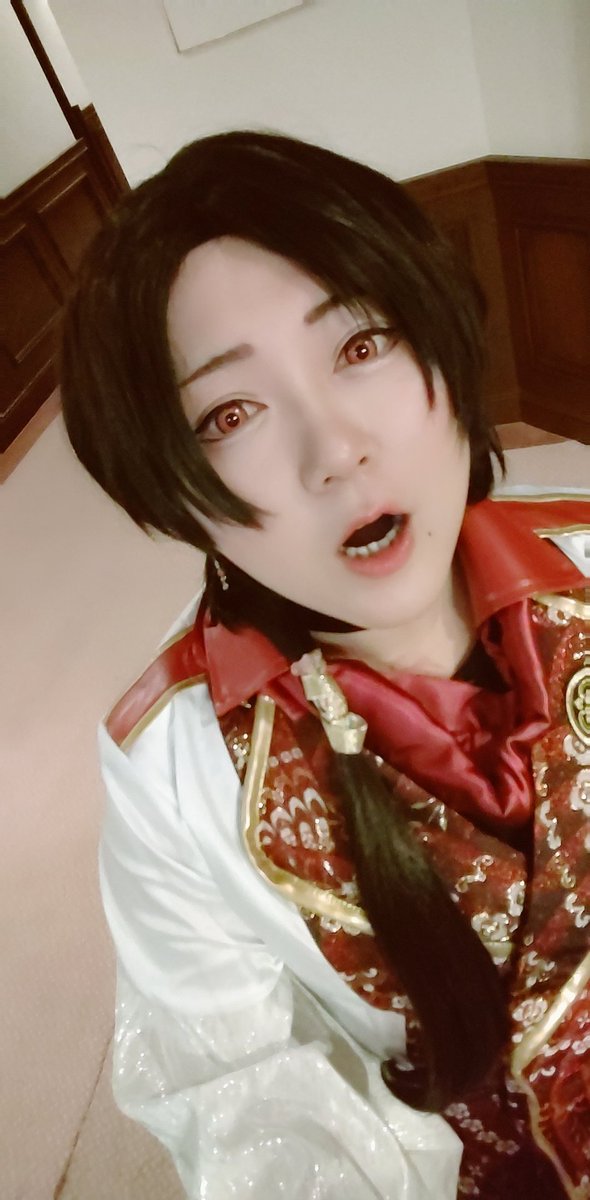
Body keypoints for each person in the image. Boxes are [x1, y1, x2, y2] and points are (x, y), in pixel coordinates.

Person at [60, 131, 589, 1200]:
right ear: (170, 489)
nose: (335, 449)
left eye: (360, 346)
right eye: (230, 414)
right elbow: (242, 1101)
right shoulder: (174, 773)